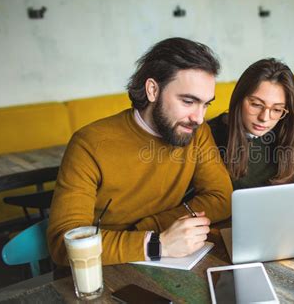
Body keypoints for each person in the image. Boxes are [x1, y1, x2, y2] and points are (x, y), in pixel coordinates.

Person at [47, 38, 233, 265]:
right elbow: (65, 244)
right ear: (153, 90)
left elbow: (222, 199)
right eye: (188, 101)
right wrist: (157, 243)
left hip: (166, 260)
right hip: (102, 269)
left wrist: (151, 228)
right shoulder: (89, 144)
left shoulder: (196, 131)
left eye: (206, 104)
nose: (199, 117)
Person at [208, 58, 294, 190]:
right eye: (256, 105)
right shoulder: (209, 135)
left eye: (277, 110)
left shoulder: (289, 127)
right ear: (239, 99)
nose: (264, 118)